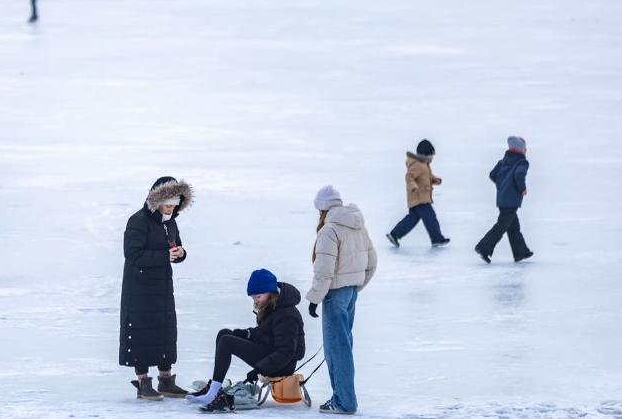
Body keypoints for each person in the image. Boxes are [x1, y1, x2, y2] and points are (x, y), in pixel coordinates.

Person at [187, 269, 306, 413]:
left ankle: (212, 393)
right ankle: (215, 388)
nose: (255, 301)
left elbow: (286, 352)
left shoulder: (286, 315)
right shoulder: (272, 304)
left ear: (271, 292)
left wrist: (260, 369)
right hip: (270, 353)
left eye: (258, 296)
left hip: (282, 365)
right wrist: (247, 334)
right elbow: (265, 333)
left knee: (226, 341)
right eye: (253, 297)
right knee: (224, 334)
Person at [120, 177, 193, 400]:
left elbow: (175, 246)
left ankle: (166, 380)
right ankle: (143, 382)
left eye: (174, 205)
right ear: (157, 201)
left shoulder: (170, 222)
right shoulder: (138, 221)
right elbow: (132, 254)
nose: (170, 209)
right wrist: (164, 256)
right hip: (139, 288)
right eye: (167, 205)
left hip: (162, 287)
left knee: (165, 330)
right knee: (141, 331)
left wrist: (180, 253)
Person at [307, 185, 377, 415]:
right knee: (344, 346)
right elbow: (372, 262)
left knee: (336, 350)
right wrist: (355, 285)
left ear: (322, 209)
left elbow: (324, 270)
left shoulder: (329, 230)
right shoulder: (357, 225)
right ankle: (342, 397)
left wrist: (314, 298)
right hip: (350, 294)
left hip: (335, 293)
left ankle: (344, 402)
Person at [475, 136, 533, 263]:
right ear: (521, 149)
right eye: (525, 149)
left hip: (502, 199)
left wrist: (503, 186)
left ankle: (521, 252)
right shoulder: (522, 162)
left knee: (513, 227)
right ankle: (483, 247)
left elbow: (492, 175)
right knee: (501, 226)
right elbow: (519, 174)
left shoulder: (503, 161)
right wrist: (522, 188)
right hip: (511, 201)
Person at [386, 139, 450, 248]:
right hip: (419, 197)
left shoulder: (423, 164)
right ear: (424, 154)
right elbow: (409, 176)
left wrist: (434, 180)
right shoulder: (417, 165)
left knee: (412, 220)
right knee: (431, 218)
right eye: (431, 155)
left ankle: (394, 234)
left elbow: (426, 177)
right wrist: (413, 186)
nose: (432, 158)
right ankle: (437, 239)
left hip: (419, 198)